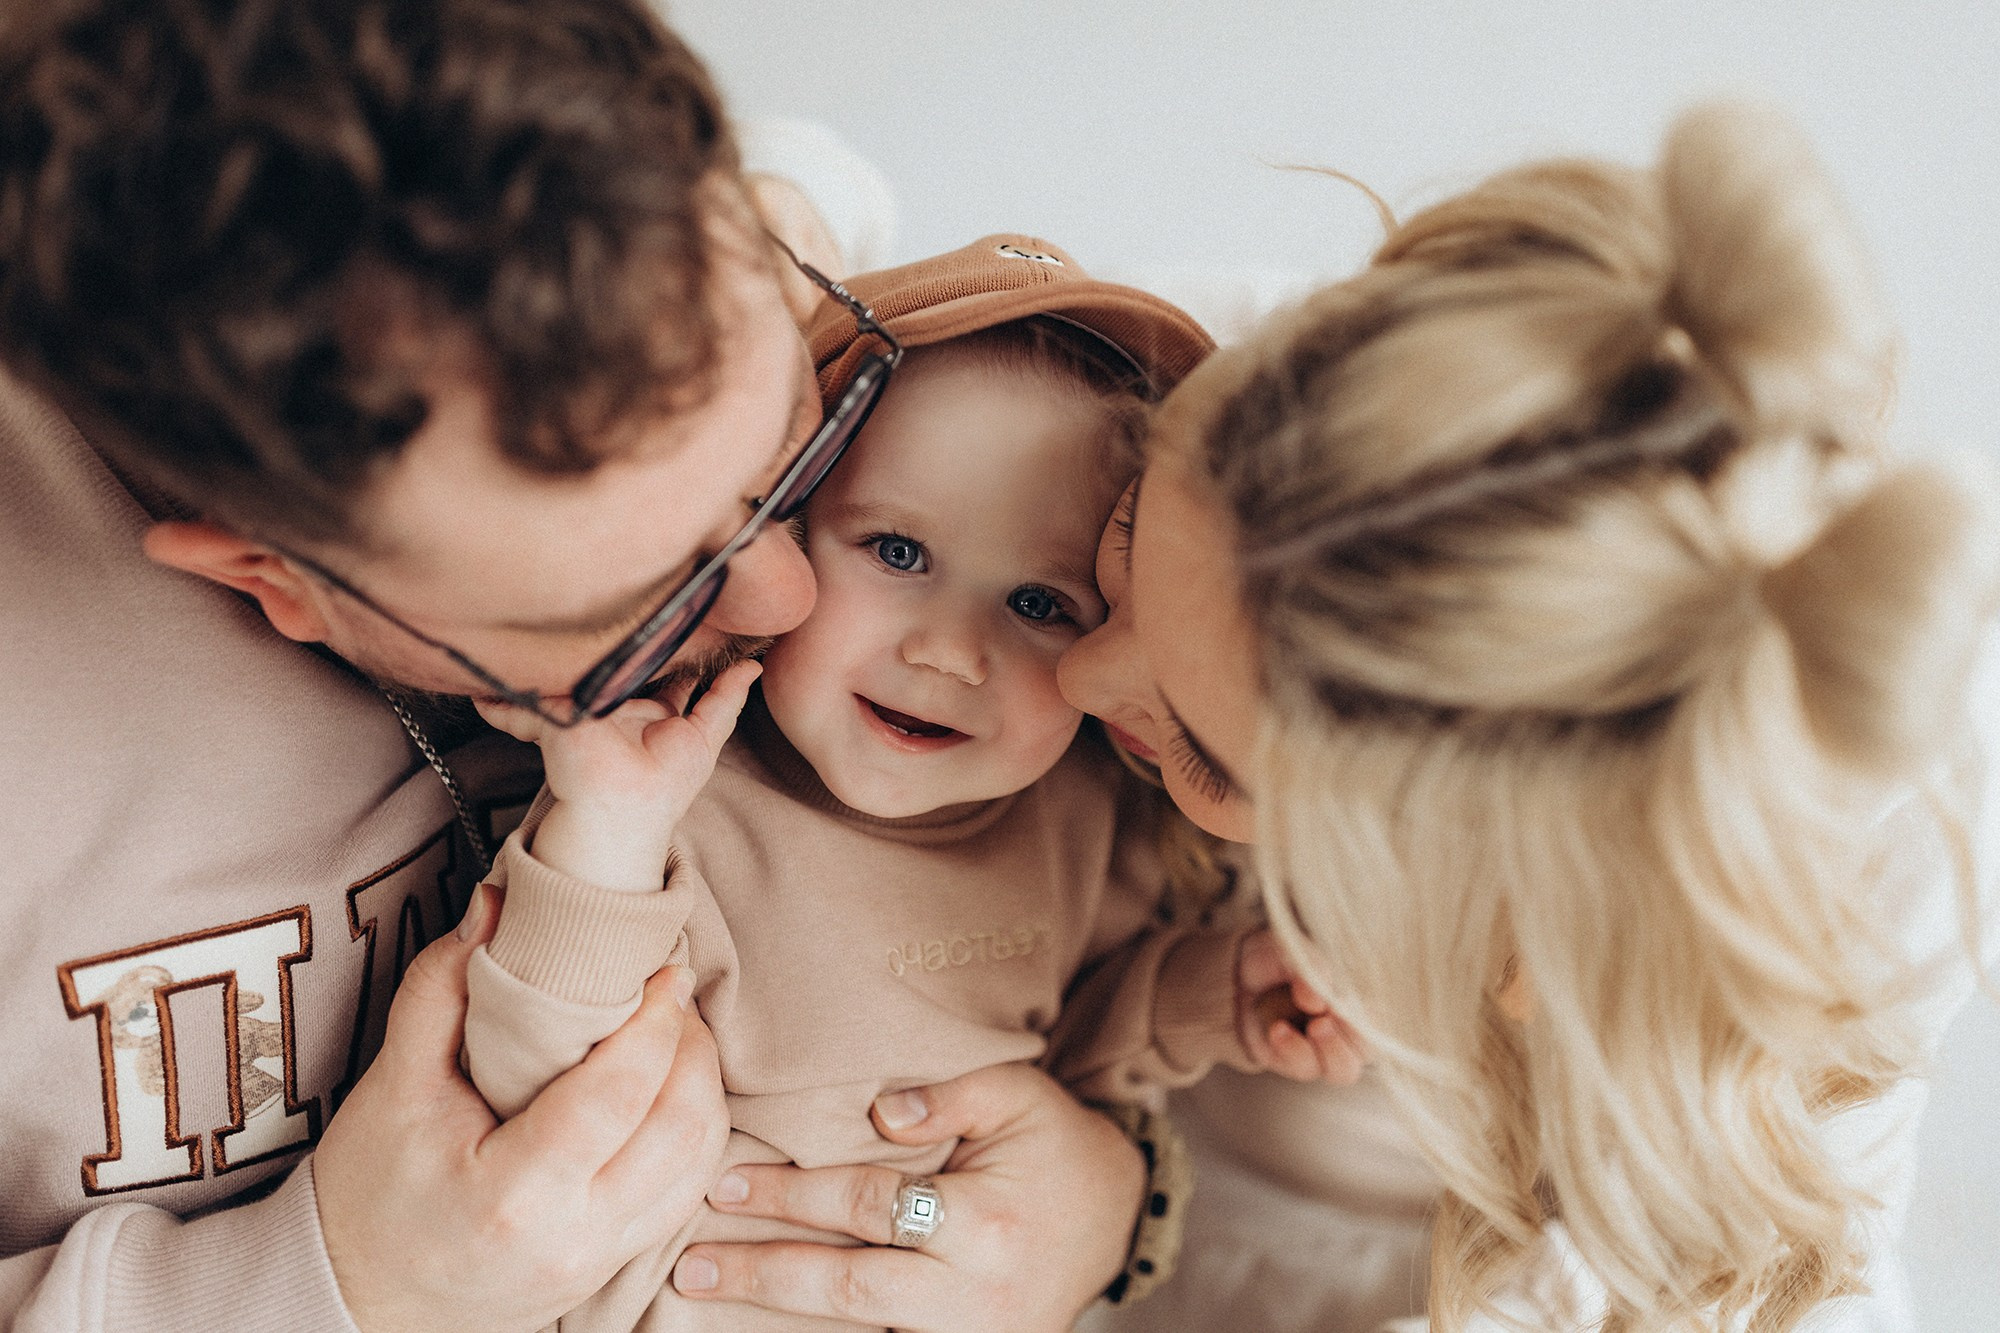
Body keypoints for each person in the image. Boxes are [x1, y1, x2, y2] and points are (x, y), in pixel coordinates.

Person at [0, 3, 1157, 1330]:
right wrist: (320, 1284)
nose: (788, 597)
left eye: (798, 444)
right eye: (644, 596)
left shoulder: (670, 227)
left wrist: (1107, 1197)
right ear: (272, 576)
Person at [1057, 101, 2000, 1331]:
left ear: (1514, 900)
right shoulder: (1269, 412)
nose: (1072, 675)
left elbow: (1747, 1283)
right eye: (1123, 529)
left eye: (1201, 755)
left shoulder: (1844, 880)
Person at [457, 234, 1364, 1331]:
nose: (946, 650)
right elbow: (528, 1077)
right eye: (894, 552)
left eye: (1039, 604)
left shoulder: (1078, 818)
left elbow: (1064, 1057)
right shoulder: (674, 795)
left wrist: (1208, 998)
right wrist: (604, 829)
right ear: (777, 532)